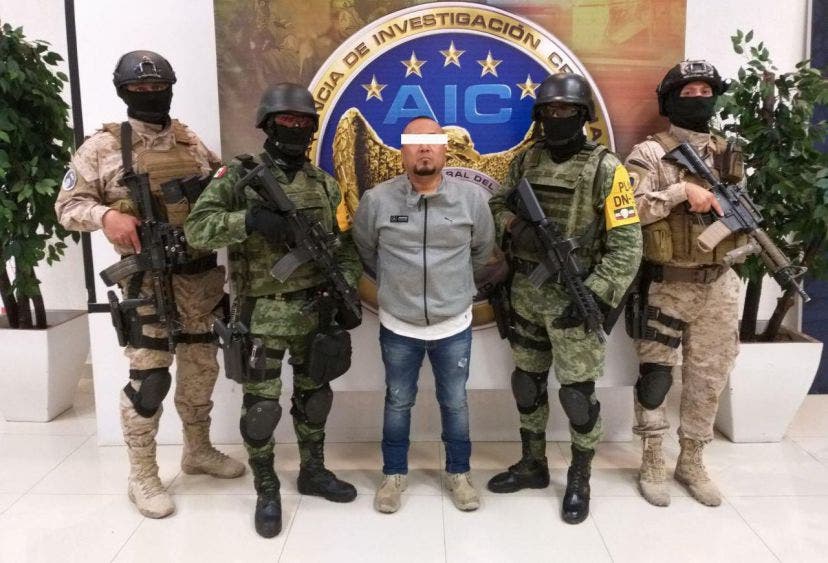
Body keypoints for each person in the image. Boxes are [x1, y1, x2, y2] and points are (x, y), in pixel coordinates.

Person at [55, 50, 245, 519]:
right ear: (123, 91)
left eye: (157, 86)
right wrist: (106, 215)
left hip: (199, 279)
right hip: (147, 282)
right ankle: (142, 475)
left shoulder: (190, 141)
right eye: (138, 88)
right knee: (150, 380)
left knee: (201, 370)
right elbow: (67, 207)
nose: (149, 94)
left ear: (170, 88)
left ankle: (197, 451)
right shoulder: (101, 147)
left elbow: (221, 189)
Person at [184, 83, 362, 538]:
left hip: (315, 310)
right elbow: (196, 230)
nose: (296, 128)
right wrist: (248, 220)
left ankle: (313, 471)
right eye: (287, 120)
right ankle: (266, 487)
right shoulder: (237, 176)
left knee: (314, 399)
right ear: (267, 125)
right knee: (261, 409)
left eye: (304, 122)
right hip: (261, 315)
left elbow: (342, 244)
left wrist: (345, 289)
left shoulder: (323, 183)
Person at [487, 73, 642, 524]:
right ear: (540, 116)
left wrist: (594, 293)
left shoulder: (606, 169)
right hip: (526, 295)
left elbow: (627, 245)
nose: (558, 117)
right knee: (527, 383)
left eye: (567, 111)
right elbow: (497, 204)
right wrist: (516, 226)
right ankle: (532, 463)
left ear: (583, 116)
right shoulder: (526, 160)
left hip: (577, 300)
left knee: (577, 395)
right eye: (550, 110)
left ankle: (579, 475)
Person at [352, 116, 495, 514]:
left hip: (453, 324)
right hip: (399, 324)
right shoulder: (377, 201)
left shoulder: (471, 200)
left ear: (445, 150)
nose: (425, 148)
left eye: (433, 140)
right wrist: (399, 287)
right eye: (414, 141)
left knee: (455, 402)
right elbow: (365, 251)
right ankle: (394, 474)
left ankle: (459, 473)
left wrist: (454, 286)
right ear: (403, 151)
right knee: (398, 401)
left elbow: (482, 251)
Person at [624, 60, 739, 508]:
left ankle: (692, 459)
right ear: (669, 101)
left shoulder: (729, 153)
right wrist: (679, 193)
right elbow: (627, 211)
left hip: (719, 283)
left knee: (709, 376)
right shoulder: (649, 154)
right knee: (656, 374)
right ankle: (653, 457)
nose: (698, 99)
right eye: (688, 93)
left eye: (705, 92)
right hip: (667, 284)